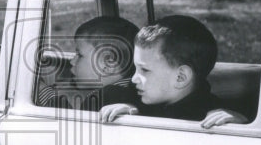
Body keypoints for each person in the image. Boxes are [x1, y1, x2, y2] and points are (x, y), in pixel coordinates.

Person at [99, 15, 247, 128]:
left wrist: (241, 123)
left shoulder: (213, 117)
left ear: (181, 77)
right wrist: (130, 110)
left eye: (144, 70)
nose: (134, 79)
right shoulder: (126, 97)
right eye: (135, 68)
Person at [36, 16, 140, 111]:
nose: (72, 61)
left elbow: (71, 124)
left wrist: (42, 90)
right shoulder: (139, 93)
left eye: (80, 55)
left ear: (109, 65)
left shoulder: (103, 99)